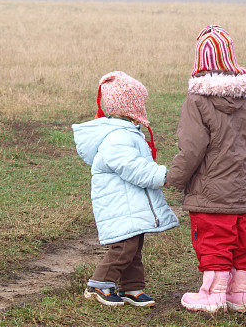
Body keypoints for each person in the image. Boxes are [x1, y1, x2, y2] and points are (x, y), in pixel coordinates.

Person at [166, 25, 246, 313]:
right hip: (240, 189)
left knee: (213, 240)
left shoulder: (197, 101)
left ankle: (213, 295)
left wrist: (174, 178)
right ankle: (239, 295)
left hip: (209, 192)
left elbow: (193, 148)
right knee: (241, 239)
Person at [72, 71, 178, 306]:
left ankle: (132, 288)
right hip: (120, 204)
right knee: (124, 247)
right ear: (129, 106)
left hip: (130, 202)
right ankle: (99, 285)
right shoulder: (117, 137)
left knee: (134, 245)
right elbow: (134, 168)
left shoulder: (127, 132)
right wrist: (162, 176)